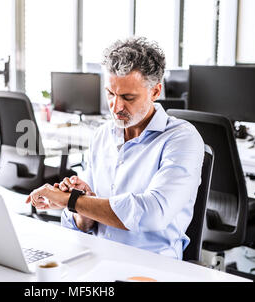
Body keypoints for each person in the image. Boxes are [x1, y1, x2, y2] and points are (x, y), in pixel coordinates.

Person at [26, 37, 204, 260]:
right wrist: (83, 202)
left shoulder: (181, 139)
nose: (117, 107)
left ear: (156, 92)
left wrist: (72, 201)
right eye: (110, 94)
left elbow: (152, 214)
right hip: (96, 256)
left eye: (128, 97)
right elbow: (83, 223)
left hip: (150, 264)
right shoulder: (103, 135)